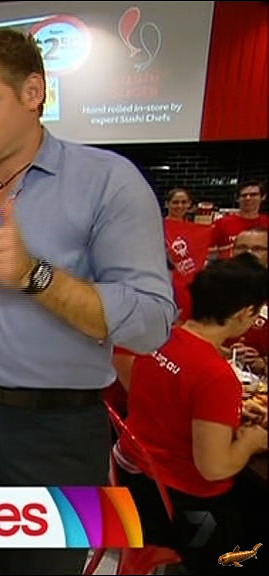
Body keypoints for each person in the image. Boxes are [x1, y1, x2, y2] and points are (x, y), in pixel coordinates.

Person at [0, 28, 176, 575]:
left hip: (64, 430)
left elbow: (152, 322)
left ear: (33, 92)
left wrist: (35, 276)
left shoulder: (109, 182)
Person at [116, 257, 268, 575]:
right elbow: (214, 468)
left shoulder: (161, 338)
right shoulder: (214, 374)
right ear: (244, 313)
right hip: (182, 508)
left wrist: (228, 414)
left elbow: (169, 400)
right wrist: (251, 442)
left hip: (136, 481)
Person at [163, 187, 212, 323]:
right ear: (167, 204)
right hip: (167, 283)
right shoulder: (158, 226)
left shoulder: (196, 230)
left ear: (190, 205)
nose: (180, 206)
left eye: (184, 202)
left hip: (189, 287)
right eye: (175, 202)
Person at [225, 228, 269, 374]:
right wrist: (227, 353)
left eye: (257, 249)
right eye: (242, 248)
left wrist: (262, 363)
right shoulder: (212, 287)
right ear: (232, 252)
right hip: (216, 370)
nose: (248, 254)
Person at [210, 180, 268, 259]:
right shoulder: (222, 222)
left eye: (253, 195)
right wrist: (228, 249)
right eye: (244, 195)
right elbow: (207, 250)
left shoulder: (266, 221)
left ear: (263, 197)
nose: (248, 198)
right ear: (238, 199)